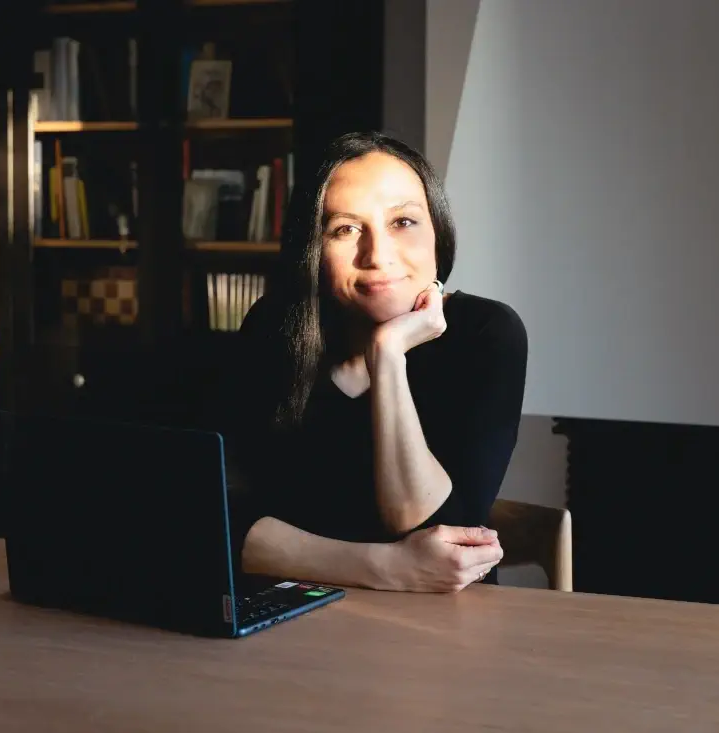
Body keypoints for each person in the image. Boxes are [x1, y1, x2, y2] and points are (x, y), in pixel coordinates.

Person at [216, 131, 527, 593]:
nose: (377, 256)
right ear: (314, 248)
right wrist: (385, 566)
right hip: (294, 610)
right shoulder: (275, 328)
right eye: (345, 229)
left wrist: (388, 356)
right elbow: (223, 525)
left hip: (445, 623)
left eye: (403, 221)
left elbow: (439, 535)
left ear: (438, 235)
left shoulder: (486, 332)